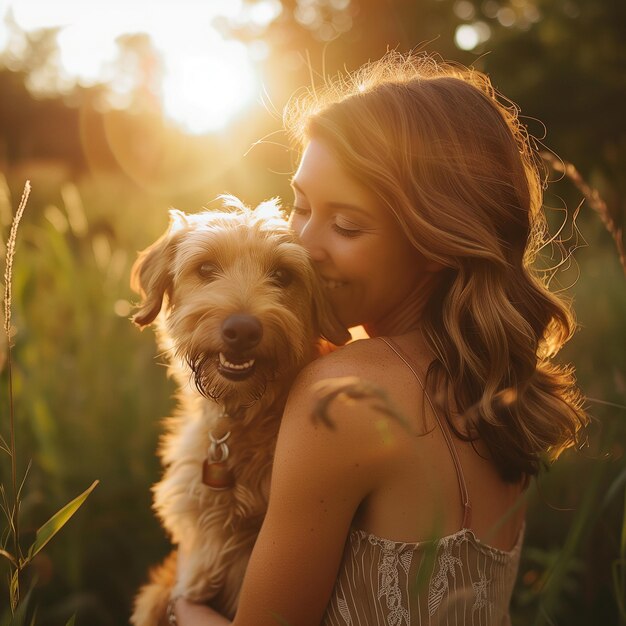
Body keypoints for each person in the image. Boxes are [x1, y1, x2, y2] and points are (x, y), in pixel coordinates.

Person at [171, 51, 587, 625]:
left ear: (438, 242)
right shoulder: (500, 390)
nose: (306, 246)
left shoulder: (340, 395)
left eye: (346, 225)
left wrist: (183, 604)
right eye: (300, 206)